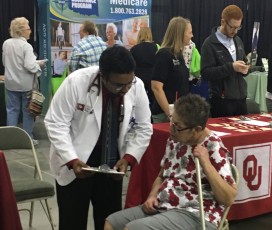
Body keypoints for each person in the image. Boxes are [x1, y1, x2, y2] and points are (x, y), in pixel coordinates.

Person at [44, 46, 153, 230]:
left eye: (129, 83)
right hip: (76, 162)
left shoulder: (136, 85)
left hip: (112, 164)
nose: (125, 90)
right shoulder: (76, 82)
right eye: (118, 85)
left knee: (109, 220)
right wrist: (71, 159)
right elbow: (56, 123)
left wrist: (128, 158)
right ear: (103, 75)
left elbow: (144, 127)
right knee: (72, 221)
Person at [104, 93, 237, 230]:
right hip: (164, 205)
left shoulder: (213, 147)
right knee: (112, 222)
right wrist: (152, 196)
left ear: (197, 129)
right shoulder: (176, 139)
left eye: (177, 126)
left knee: (134, 228)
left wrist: (206, 163)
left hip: (196, 213)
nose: (171, 129)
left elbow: (228, 198)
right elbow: (162, 175)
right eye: (172, 122)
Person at [201, 5, 250, 118]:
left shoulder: (238, 41)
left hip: (240, 98)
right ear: (223, 22)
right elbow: (206, 73)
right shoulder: (209, 44)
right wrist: (231, 67)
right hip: (221, 100)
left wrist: (246, 68)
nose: (235, 31)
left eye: (238, 27)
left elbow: (243, 62)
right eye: (232, 27)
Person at [2, 17, 45, 145]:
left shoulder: (6, 43)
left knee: (11, 110)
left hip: (10, 83)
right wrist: (39, 65)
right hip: (25, 85)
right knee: (28, 112)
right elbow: (29, 66)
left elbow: (6, 63)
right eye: (28, 28)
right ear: (22, 31)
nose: (30, 31)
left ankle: (9, 139)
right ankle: (27, 139)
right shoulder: (26, 46)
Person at [151, 16, 192, 123]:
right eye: (190, 32)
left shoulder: (178, 54)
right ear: (181, 33)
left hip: (180, 113)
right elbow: (156, 87)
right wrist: (170, 114)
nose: (191, 36)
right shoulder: (164, 54)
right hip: (164, 116)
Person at [130, 27, 158, 106]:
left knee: (139, 101)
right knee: (153, 101)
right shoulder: (156, 47)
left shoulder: (133, 49)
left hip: (138, 79)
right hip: (152, 78)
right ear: (150, 35)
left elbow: (131, 66)